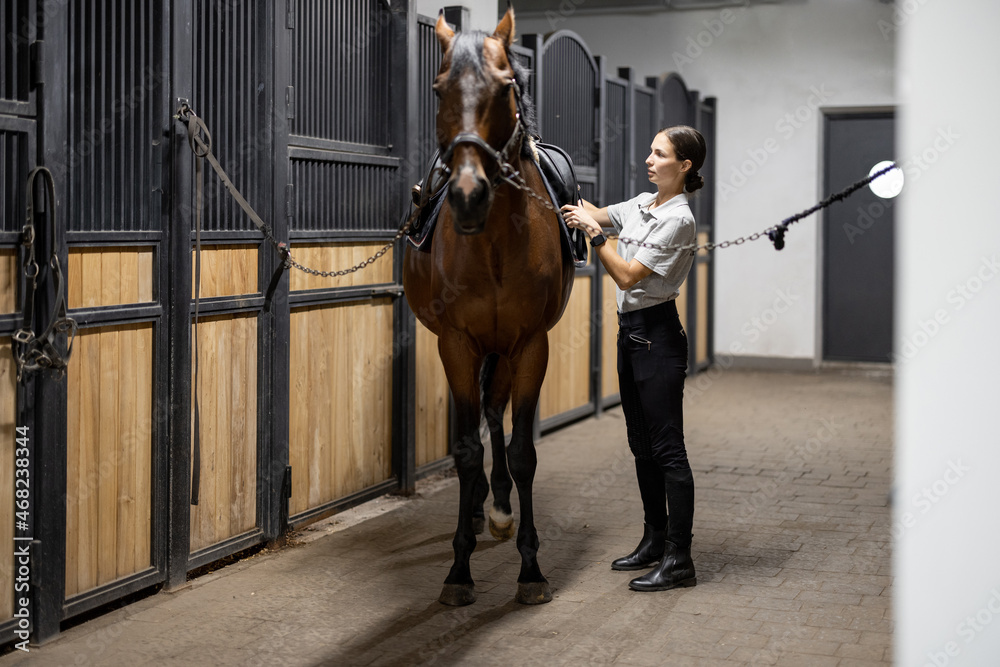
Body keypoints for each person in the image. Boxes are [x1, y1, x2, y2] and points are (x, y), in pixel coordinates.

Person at [561, 125, 706, 592]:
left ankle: (680, 559)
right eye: (650, 150)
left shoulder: (679, 219)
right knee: (641, 444)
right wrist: (554, 179)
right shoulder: (645, 204)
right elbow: (592, 211)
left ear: (683, 166)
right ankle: (654, 538)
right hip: (632, 336)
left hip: (659, 339)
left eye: (659, 153)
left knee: (667, 449)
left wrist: (596, 237)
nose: (649, 158)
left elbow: (627, 277)